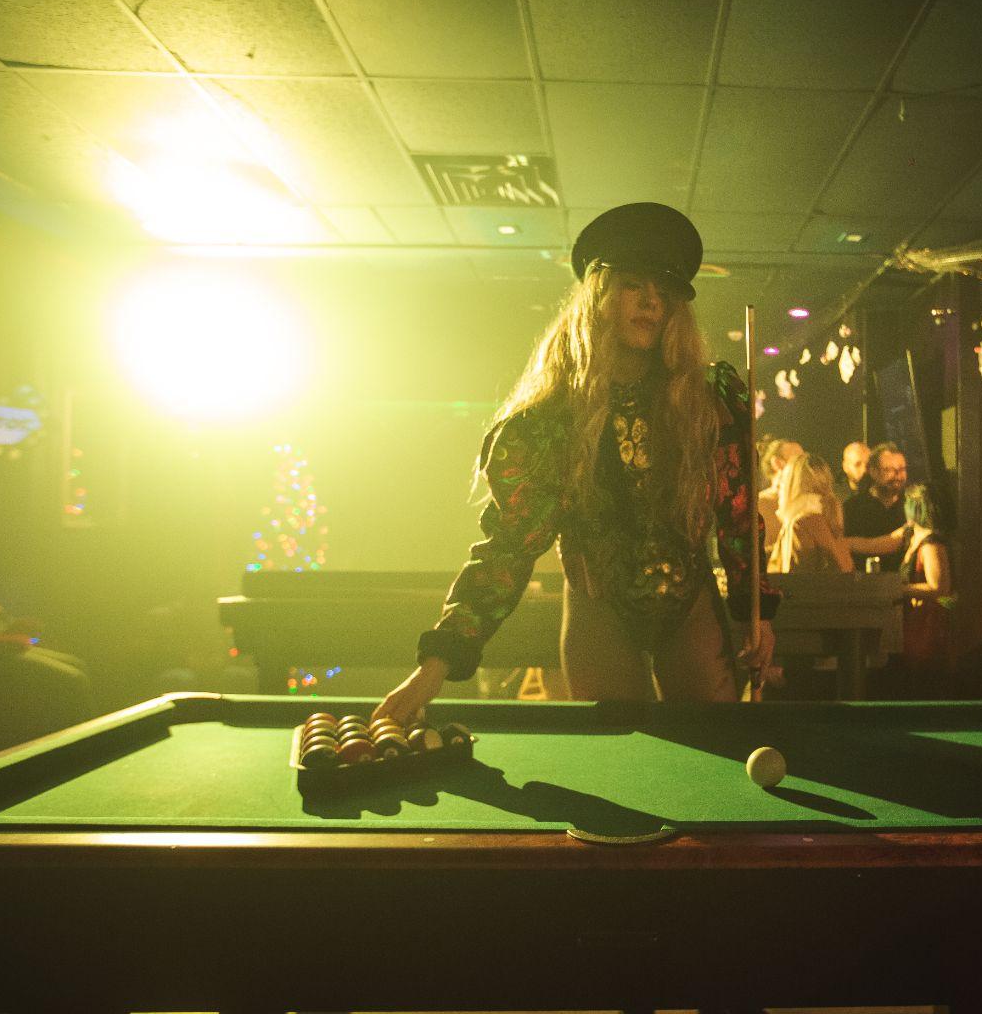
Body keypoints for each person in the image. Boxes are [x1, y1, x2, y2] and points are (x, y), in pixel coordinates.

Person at [376, 203, 779, 723]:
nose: (652, 302)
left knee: (716, 741)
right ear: (598, 297)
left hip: (691, 608)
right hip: (599, 607)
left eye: (665, 291)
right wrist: (435, 665)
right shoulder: (551, 420)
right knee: (618, 755)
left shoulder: (710, 398)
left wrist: (757, 612)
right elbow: (508, 548)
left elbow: (739, 516)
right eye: (634, 285)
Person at [769, 453, 903, 574]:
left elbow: (794, 583)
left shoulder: (801, 524)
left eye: (783, 481)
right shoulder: (830, 520)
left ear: (791, 484)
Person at [898, 484, 953, 678]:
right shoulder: (914, 536)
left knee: (924, 674)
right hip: (916, 620)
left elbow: (939, 587)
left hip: (927, 623)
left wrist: (899, 589)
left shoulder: (931, 545)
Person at [844, 442, 909, 565]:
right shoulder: (852, 508)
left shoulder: (911, 505)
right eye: (888, 469)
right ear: (873, 471)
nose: (897, 475)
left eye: (901, 469)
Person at [757, 437, 803, 554]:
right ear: (777, 463)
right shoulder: (761, 504)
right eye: (798, 461)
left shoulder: (804, 502)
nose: (804, 467)